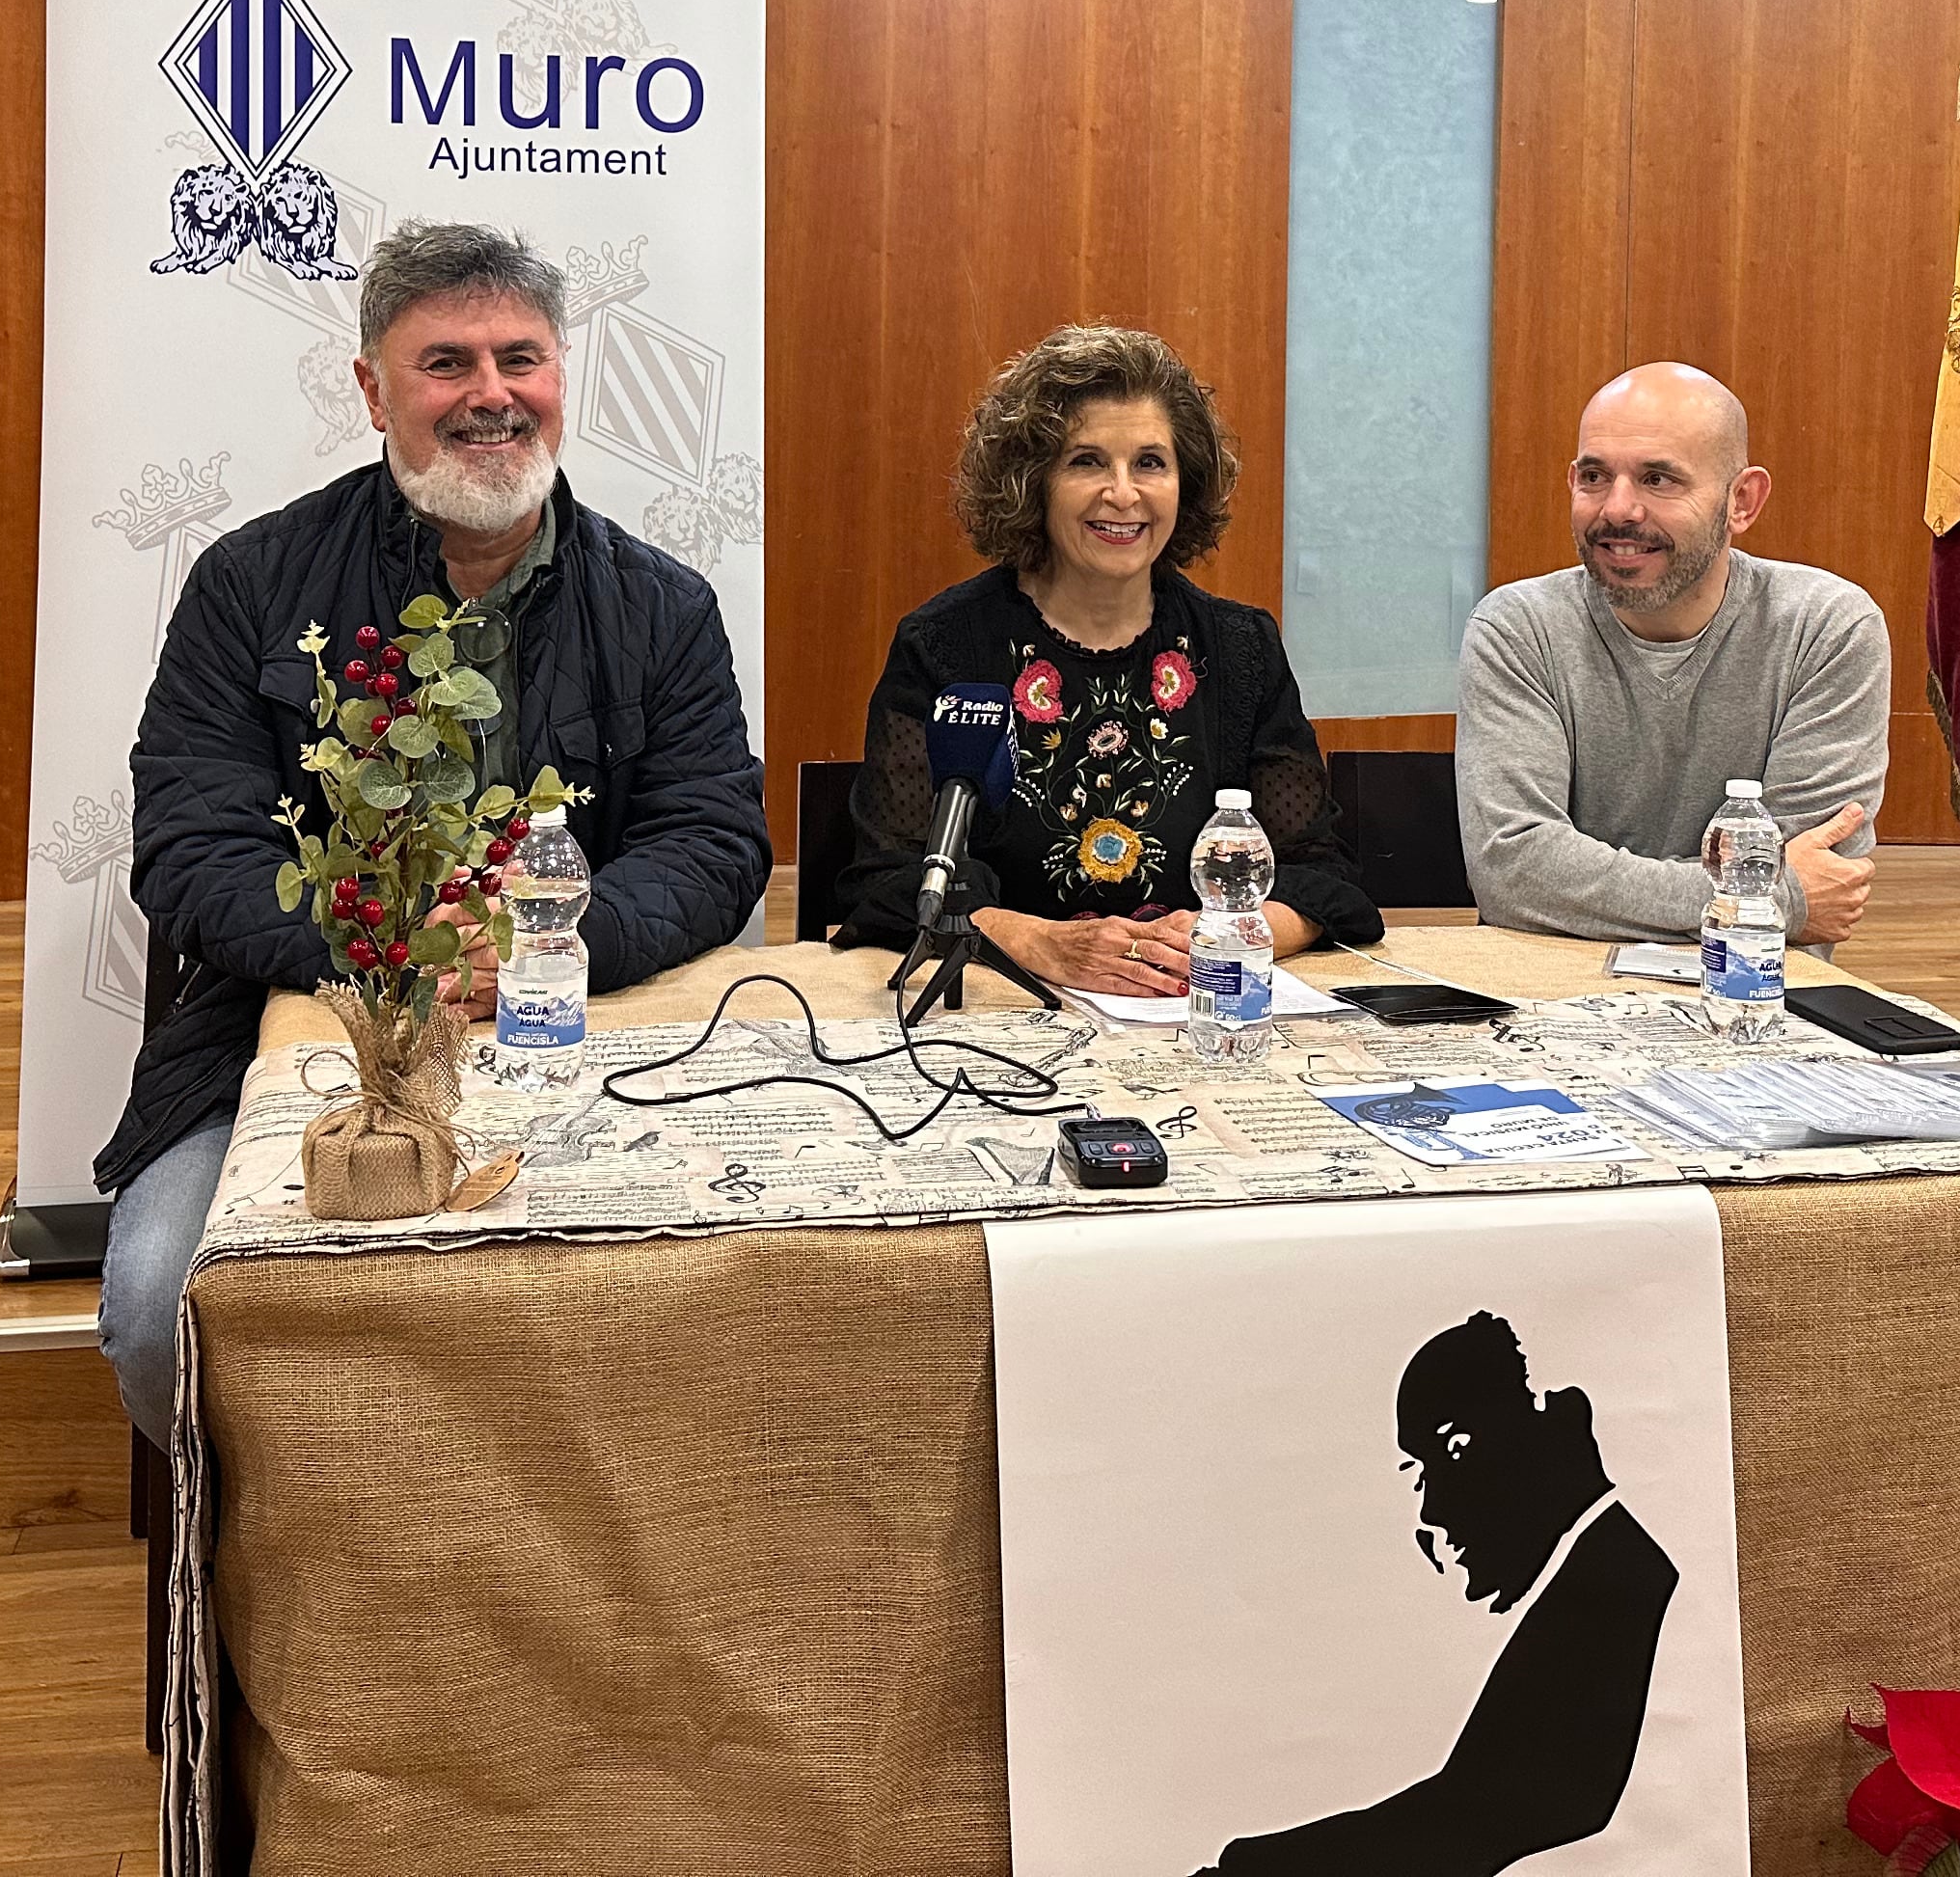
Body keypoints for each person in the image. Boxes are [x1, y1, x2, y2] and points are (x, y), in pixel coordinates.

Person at [94, 222, 767, 1437]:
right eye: (447, 363)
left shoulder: (664, 605)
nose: (492, 396)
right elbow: (192, 851)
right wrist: (397, 951)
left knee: (727, 1288)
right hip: (294, 1032)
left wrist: (554, 938)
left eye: (522, 358)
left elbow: (712, 842)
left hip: (583, 1033)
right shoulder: (251, 585)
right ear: (372, 389)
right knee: (155, 1310)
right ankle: (276, 1590)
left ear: (563, 376)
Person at [830, 325, 1379, 985]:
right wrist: (1039, 943)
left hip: (1193, 1008)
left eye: (1150, 462)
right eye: (1086, 461)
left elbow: (1320, 873)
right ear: (1032, 483)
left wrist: (1229, 933)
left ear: (1186, 482)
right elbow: (888, 879)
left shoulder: (1240, 649)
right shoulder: (947, 646)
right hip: (1007, 1012)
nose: (1123, 494)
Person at [1199, 1312, 1677, 1874]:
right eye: (1421, 1471)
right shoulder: (1599, 1579)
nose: (1434, 1510)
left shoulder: (1616, 1585)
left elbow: (1482, 1811)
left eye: (1452, 1450)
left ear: (1556, 1415)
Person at [1456, 362, 1888, 950]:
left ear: (1742, 501)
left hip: (1750, 1001)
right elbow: (1512, 872)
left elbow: (1824, 870)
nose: (1618, 509)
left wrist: (1586, 888)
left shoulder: (1826, 629)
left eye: (1658, 479)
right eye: (1595, 476)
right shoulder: (1518, 628)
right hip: (1542, 1002)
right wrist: (1773, 898)